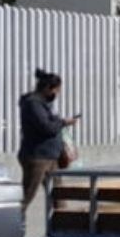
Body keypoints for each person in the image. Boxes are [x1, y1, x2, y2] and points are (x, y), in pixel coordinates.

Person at [18, 69, 78, 211]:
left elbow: (50, 124)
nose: (56, 94)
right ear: (47, 88)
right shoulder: (33, 104)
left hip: (51, 156)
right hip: (37, 157)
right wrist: (63, 122)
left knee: (58, 195)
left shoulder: (43, 104)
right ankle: (13, 222)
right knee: (27, 195)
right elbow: (46, 128)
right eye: (56, 91)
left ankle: (62, 226)